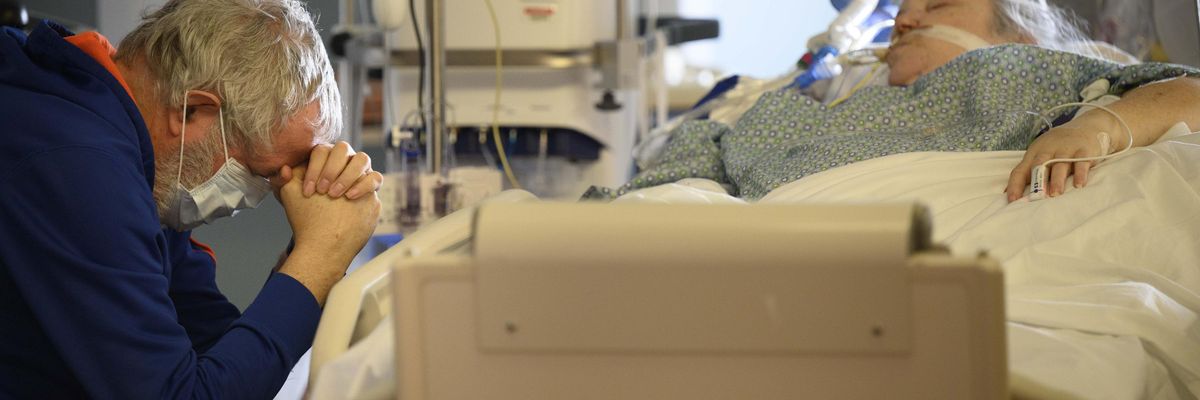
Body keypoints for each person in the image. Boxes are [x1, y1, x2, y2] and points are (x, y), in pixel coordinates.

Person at [0, 0, 382, 398]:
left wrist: (308, 254)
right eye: (262, 172)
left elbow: (213, 347)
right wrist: (319, 259)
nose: (275, 192)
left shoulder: (135, 157)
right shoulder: (78, 167)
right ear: (192, 111)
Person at [598, 0, 1200, 202]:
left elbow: (1191, 94)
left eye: (936, 7)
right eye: (903, 12)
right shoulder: (794, 113)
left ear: (1020, 34)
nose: (906, 17)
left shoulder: (1044, 69)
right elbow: (685, 170)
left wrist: (1098, 126)